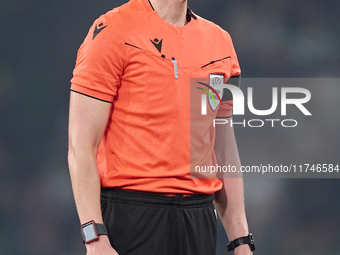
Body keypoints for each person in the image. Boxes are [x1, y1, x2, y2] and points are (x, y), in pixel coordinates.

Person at [68, 0, 254, 254]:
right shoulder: (112, 30)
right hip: (131, 215)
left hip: (198, 218)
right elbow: (81, 145)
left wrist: (241, 240)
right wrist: (94, 238)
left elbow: (223, 148)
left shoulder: (221, 42)